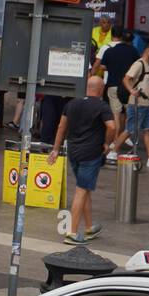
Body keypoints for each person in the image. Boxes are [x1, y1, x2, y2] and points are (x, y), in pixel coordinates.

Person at [48, 75, 117, 244]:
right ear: (101, 89)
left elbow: (61, 127)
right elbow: (112, 126)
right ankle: (72, 232)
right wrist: (107, 143)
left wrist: (55, 149)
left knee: (84, 188)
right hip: (91, 153)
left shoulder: (71, 104)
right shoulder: (102, 106)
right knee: (81, 190)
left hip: (74, 151)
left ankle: (89, 227)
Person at [116, 41, 149, 167]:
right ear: (147, 50)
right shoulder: (139, 64)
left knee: (148, 130)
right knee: (130, 130)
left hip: (146, 104)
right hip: (137, 104)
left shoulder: (148, 65)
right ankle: (113, 151)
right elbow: (126, 79)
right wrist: (131, 90)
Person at [99, 27, 138, 144]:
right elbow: (137, 67)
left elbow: (102, 66)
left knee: (115, 114)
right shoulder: (133, 51)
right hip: (128, 86)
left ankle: (115, 140)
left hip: (112, 85)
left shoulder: (109, 51)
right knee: (127, 113)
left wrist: (111, 67)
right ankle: (125, 137)